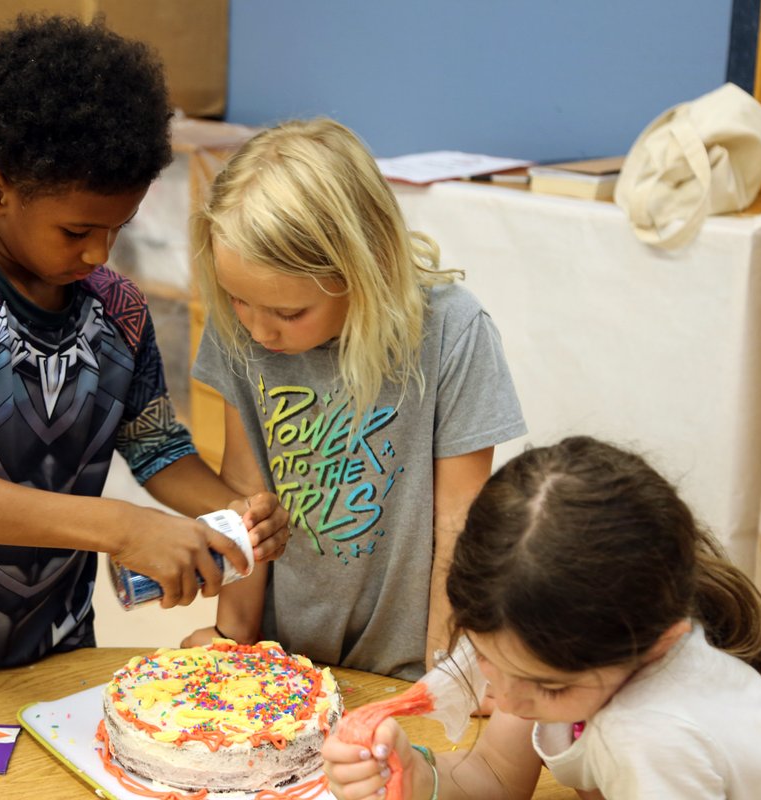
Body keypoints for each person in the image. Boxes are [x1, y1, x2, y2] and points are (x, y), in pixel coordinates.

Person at [0, 14, 289, 674]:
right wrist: (120, 525)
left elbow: (157, 447)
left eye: (118, 227)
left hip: (56, 637)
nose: (100, 251)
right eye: (77, 229)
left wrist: (232, 513)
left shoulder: (118, 308)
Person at [181, 118, 527, 680]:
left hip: (409, 659)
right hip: (282, 656)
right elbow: (246, 495)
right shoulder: (239, 327)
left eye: (289, 313)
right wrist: (232, 636)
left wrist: (450, 671)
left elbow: (460, 524)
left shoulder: (451, 330)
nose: (260, 331)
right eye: (238, 300)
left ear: (363, 267)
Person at [323, 436, 761, 799]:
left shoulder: (652, 735)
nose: (513, 702)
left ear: (654, 643)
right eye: (484, 657)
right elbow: (497, 776)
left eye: (550, 689)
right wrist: (415, 774)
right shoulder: (535, 645)